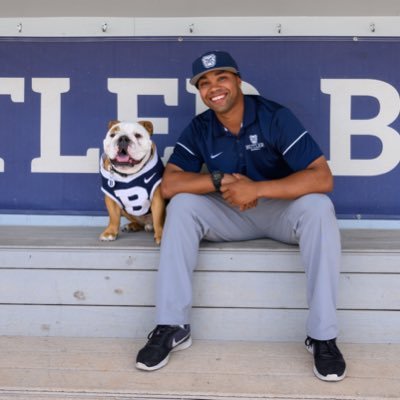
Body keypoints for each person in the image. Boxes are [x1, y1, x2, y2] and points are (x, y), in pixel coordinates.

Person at [135, 50, 346, 381]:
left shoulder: (275, 116)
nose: (213, 87)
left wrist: (258, 190)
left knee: (319, 207)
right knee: (182, 206)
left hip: (280, 212)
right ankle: (171, 324)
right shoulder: (200, 127)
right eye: (203, 83)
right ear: (199, 92)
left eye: (221, 78)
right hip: (229, 213)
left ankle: (323, 336)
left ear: (238, 80)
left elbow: (322, 177)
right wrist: (218, 180)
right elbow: (171, 183)